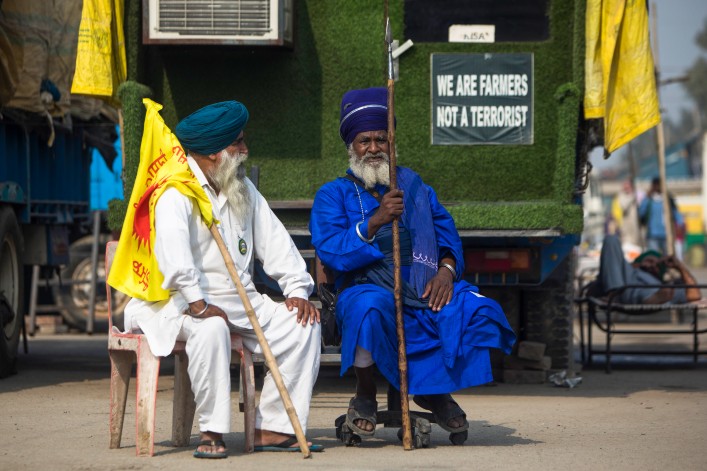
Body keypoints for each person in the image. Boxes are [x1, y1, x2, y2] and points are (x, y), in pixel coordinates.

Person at [309, 87, 516, 439]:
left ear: (391, 142)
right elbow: (329, 250)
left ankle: (433, 391)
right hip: (365, 284)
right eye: (364, 141)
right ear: (352, 146)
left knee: (476, 309)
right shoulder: (333, 193)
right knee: (369, 309)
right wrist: (374, 221)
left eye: (381, 139)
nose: (374, 148)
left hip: (422, 281)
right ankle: (365, 393)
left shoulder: (417, 187)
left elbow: (447, 237)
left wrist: (446, 272)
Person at [122, 101, 322, 458]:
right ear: (213, 151)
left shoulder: (240, 187)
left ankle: (274, 428)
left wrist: (296, 289)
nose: (245, 150)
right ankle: (211, 431)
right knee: (212, 329)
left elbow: (276, 242)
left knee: (303, 325)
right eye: (237, 144)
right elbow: (174, 259)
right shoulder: (176, 191)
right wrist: (199, 305)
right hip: (175, 303)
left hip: (241, 300)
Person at [597, 234, 701, 304]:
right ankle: (614, 294)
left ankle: (651, 298)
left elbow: (695, 295)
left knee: (666, 290)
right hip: (622, 285)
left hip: (654, 290)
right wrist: (637, 265)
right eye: (649, 261)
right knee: (611, 239)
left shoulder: (663, 284)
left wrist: (680, 266)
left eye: (657, 265)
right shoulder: (626, 270)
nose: (652, 265)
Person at [638, 177, 679, 255]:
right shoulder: (648, 200)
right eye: (655, 185)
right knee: (654, 257)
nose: (657, 187)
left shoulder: (668, 199)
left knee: (667, 257)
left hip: (666, 234)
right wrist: (646, 198)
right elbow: (641, 213)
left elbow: (675, 213)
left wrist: (679, 224)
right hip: (652, 234)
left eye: (659, 185)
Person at [611, 179, 643, 250]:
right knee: (627, 246)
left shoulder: (637, 195)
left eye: (627, 186)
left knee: (637, 246)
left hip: (636, 225)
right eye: (625, 186)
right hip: (625, 226)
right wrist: (633, 197)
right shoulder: (620, 196)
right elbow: (624, 206)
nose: (626, 188)